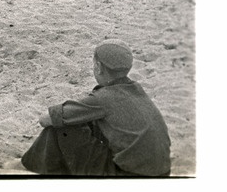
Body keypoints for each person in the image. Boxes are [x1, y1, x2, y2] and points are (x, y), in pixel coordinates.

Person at [21, 40, 171, 176]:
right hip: (162, 172)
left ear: (98, 67)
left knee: (60, 127)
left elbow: (45, 119)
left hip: (128, 176)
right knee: (89, 123)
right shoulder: (136, 90)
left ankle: (32, 166)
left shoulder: (102, 98)